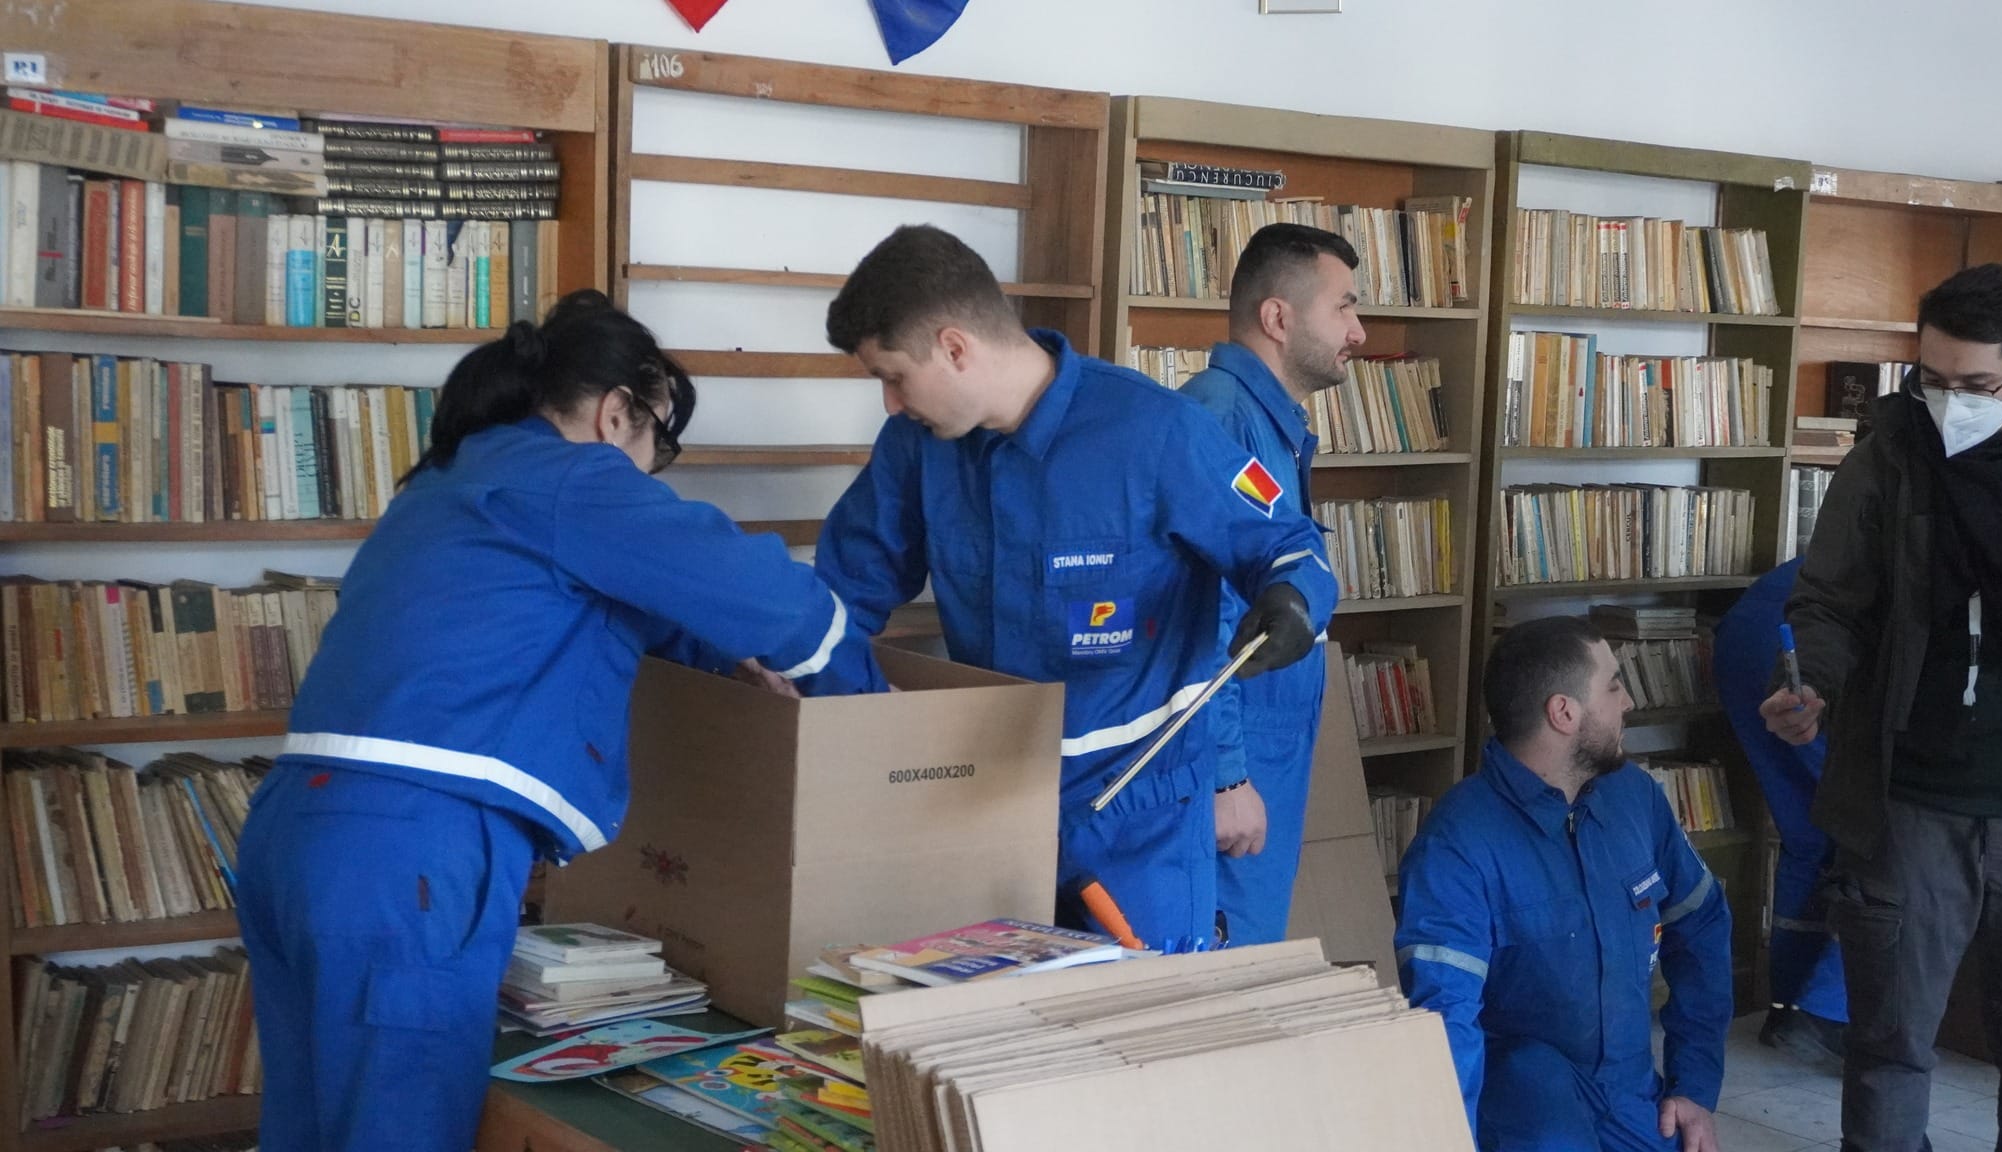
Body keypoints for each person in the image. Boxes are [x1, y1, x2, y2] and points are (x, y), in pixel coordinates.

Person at [234, 291, 887, 1152]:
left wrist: (726, 658)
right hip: (411, 851)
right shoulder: (577, 479)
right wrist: (875, 720)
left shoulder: (452, 484)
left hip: (296, 834)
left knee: (313, 1129)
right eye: (659, 447)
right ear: (619, 413)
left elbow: (625, 612)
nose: (652, 475)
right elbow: (777, 601)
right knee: (401, 1129)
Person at [813, 224, 1338, 952]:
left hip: (1138, 822)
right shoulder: (918, 449)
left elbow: (1287, 543)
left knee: (1140, 1020)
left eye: (894, 376)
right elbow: (843, 592)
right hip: (985, 803)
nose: (891, 404)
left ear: (955, 348)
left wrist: (1291, 600)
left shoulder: (1157, 431)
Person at [1763, 263, 2002, 1152]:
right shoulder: (1889, 457)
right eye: (1932, 380)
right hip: (1910, 803)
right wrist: (1811, 683)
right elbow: (1827, 602)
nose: (1950, 403)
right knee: (1890, 1050)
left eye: (1977, 385)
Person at [1398, 615, 1732, 1152]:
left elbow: (1702, 923)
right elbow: (1444, 1017)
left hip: (1629, 1093)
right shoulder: (1457, 843)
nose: (1628, 703)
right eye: (1614, 687)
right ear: (1564, 712)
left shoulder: (1635, 798)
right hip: (1523, 1104)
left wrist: (1693, 1085)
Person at [1177, 222, 1366, 945]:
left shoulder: (1264, 421)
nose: (1358, 331)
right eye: (1343, 307)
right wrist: (1226, 776)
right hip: (1234, 759)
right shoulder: (1220, 419)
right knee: (1220, 970)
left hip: (1268, 748)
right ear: (1278, 318)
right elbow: (1201, 615)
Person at [1713, 556, 1848, 1066]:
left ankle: (1786, 1005)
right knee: (1892, 836)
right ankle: (1830, 1014)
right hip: (1811, 652)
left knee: (1811, 836)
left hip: (1748, 635)